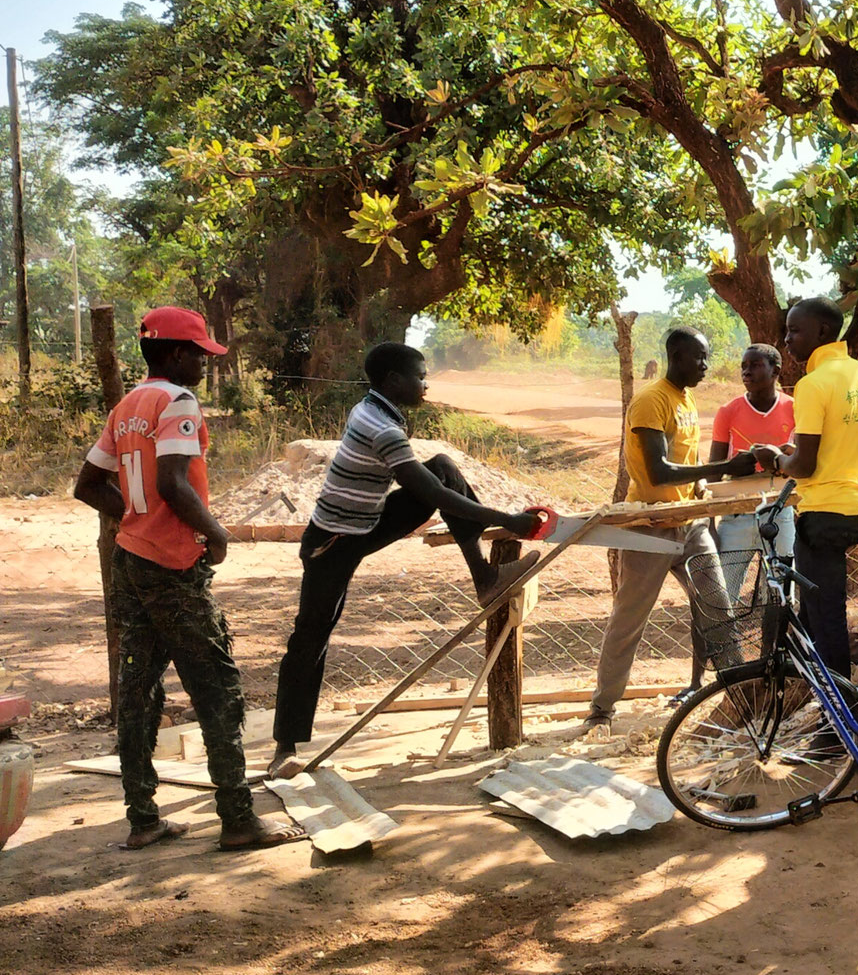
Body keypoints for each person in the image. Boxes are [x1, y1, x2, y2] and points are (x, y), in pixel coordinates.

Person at [71, 307, 300, 850]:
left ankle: (143, 818)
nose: (205, 362)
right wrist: (216, 534)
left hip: (132, 562)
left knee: (139, 689)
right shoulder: (178, 402)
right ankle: (238, 819)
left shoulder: (127, 405)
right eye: (200, 353)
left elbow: (86, 485)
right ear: (176, 353)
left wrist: (132, 515)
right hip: (174, 567)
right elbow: (175, 482)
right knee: (217, 689)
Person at [269, 343, 540, 775]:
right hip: (333, 543)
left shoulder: (378, 409)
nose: (426, 383)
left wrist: (498, 518)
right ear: (394, 381)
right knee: (310, 636)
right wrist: (506, 518)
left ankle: (485, 579)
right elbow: (430, 495)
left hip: (365, 523)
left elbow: (432, 484)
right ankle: (285, 746)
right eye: (420, 375)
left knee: (444, 465)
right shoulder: (381, 427)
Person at [577, 327, 746, 736]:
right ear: (675, 355)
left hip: (691, 523)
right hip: (650, 527)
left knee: (718, 609)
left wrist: (704, 488)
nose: (705, 366)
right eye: (698, 358)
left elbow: (687, 463)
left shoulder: (686, 398)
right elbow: (659, 470)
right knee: (630, 618)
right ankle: (602, 708)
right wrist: (722, 469)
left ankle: (743, 694)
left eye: (707, 357)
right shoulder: (651, 401)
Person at [750, 298, 858, 678]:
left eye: (794, 330)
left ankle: (840, 718)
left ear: (822, 332)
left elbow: (804, 467)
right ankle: (817, 695)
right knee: (810, 611)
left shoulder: (812, 384)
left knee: (826, 620)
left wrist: (775, 459)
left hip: (824, 514)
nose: (786, 339)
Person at [707, 343, 796, 597]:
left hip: (780, 512)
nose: (746, 372)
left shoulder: (793, 408)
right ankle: (725, 638)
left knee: (781, 595)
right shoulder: (728, 412)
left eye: (755, 365)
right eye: (743, 367)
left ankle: (776, 638)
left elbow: (800, 461)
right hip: (736, 514)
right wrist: (710, 523)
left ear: (775, 371)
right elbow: (714, 472)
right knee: (725, 594)